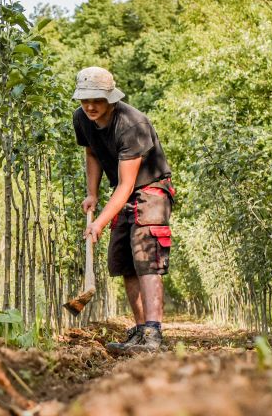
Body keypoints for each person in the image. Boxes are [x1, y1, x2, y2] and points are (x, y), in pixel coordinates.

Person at [72, 66, 174, 353]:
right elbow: (91, 151)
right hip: (122, 192)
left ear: (111, 98)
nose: (90, 106)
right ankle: (141, 331)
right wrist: (92, 193)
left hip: (151, 190)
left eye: (97, 100)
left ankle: (153, 333)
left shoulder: (131, 125)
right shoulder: (82, 118)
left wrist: (99, 223)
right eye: (85, 100)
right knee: (125, 261)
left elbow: (128, 184)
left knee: (146, 258)